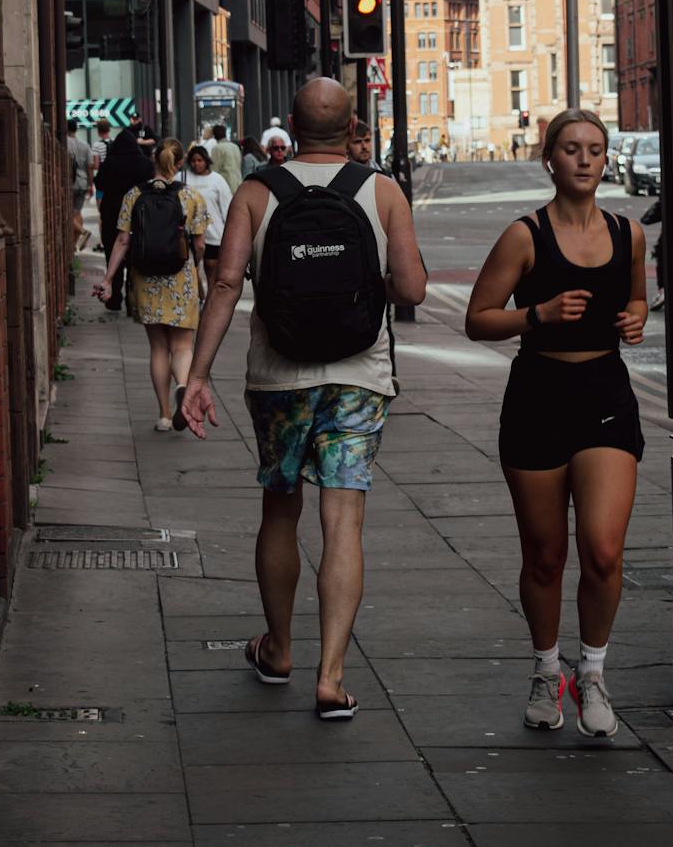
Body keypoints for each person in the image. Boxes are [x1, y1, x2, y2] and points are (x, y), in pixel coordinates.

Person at [176, 78, 426, 719]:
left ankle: (280, 648)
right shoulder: (383, 191)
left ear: (287, 126)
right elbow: (413, 289)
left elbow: (227, 283)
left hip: (279, 378)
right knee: (343, 520)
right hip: (358, 378)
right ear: (352, 127)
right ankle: (332, 677)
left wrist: (196, 376)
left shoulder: (258, 192)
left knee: (280, 512)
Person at [464, 107, 647, 740]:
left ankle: (591, 672)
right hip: (538, 393)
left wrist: (636, 318)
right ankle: (547, 670)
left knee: (603, 549)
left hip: (604, 394)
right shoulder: (524, 235)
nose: (586, 159)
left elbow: (637, 298)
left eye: (595, 149)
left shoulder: (629, 233)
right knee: (544, 556)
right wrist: (536, 315)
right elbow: (478, 318)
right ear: (551, 159)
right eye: (571, 149)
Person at [95, 139, 209, 431]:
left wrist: (108, 280)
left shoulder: (134, 195)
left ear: (153, 161)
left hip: (145, 278)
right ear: (180, 163)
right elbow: (198, 245)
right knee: (182, 346)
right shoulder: (192, 197)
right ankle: (182, 386)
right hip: (181, 280)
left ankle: (164, 415)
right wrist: (199, 275)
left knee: (158, 347)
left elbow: (122, 240)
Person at [94, 128, 155, 311]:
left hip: (113, 213)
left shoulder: (109, 163)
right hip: (139, 213)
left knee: (113, 253)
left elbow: (100, 184)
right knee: (134, 258)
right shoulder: (145, 163)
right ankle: (132, 300)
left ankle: (114, 298)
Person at [183, 145, 232, 296]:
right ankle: (199, 298)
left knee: (212, 268)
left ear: (206, 161)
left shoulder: (217, 180)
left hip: (214, 234)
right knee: (191, 268)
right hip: (189, 233)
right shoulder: (183, 177)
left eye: (200, 160)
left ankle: (210, 301)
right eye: (193, 160)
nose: (196, 164)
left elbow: (227, 207)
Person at [66, 119, 94, 251]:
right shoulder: (85, 145)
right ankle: (75, 244)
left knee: (68, 213)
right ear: (76, 129)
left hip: (69, 183)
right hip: (83, 183)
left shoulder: (65, 143)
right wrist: (90, 184)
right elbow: (90, 166)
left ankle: (82, 232)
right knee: (77, 212)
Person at [91, 119, 112, 251]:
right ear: (109, 129)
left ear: (98, 131)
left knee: (103, 215)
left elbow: (97, 165)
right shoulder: (115, 144)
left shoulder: (96, 145)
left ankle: (103, 242)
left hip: (102, 184)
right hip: (113, 183)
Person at [211, 124, 243, 195]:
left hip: (226, 184)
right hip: (238, 182)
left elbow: (214, 169)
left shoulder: (217, 148)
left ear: (214, 135)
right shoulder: (235, 147)